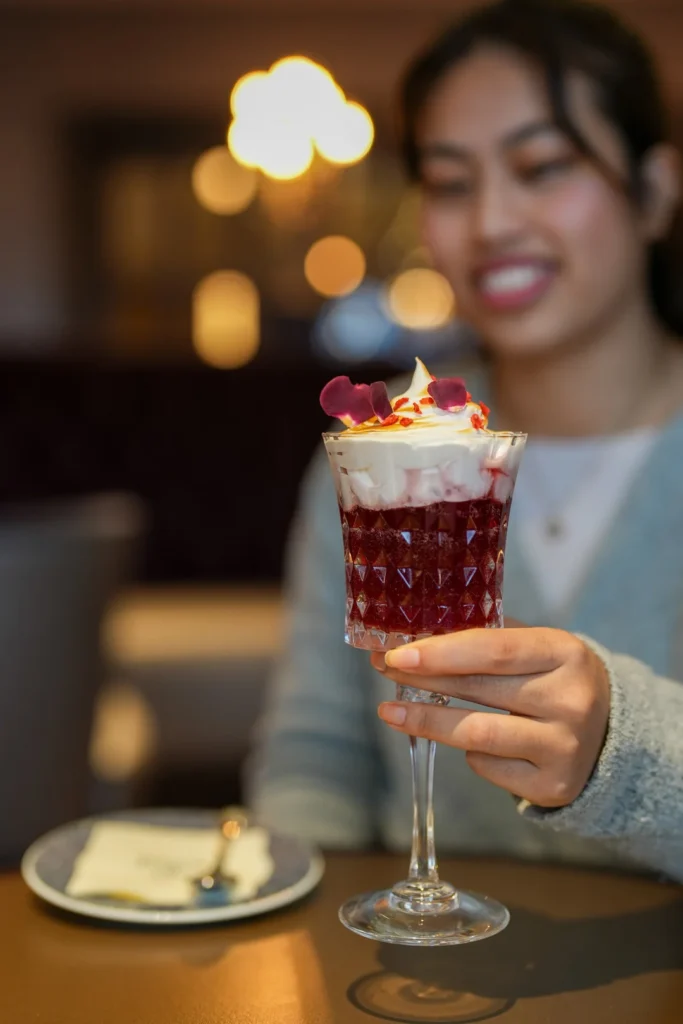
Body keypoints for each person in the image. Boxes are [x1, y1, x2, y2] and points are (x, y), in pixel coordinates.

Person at [246, 0, 683, 879]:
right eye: (450, 182)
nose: (489, 224)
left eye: (542, 166)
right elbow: (313, 758)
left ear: (654, 189)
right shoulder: (377, 470)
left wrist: (617, 748)